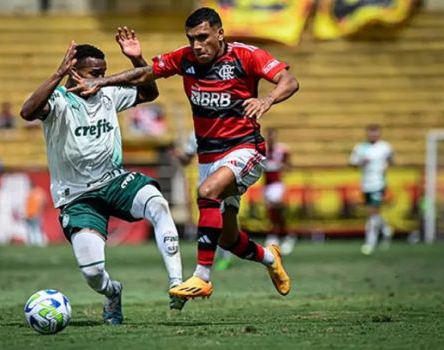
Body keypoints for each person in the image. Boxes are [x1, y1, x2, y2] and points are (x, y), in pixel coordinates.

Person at [70, 7, 299, 299]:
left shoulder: (247, 56)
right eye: (191, 39)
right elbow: (145, 75)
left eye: (203, 37)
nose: (197, 45)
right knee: (228, 238)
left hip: (245, 148)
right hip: (208, 156)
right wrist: (108, 76)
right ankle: (270, 258)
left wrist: (266, 100)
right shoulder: (185, 58)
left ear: (220, 33)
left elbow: (289, 81)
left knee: (207, 192)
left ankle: (201, 277)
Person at [20, 27, 185, 325]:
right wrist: (57, 74)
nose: (100, 77)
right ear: (74, 71)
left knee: (158, 205)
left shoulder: (108, 92)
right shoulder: (58, 101)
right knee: (93, 274)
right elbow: (27, 111)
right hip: (77, 197)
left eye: (103, 71)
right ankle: (112, 292)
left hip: (113, 181)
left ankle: (177, 283)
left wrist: (137, 60)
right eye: (93, 72)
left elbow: (150, 92)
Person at [171, 132, 234, 270]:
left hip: (222, 180)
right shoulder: (194, 135)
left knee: (222, 219)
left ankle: (224, 256)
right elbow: (187, 160)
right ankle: (211, 257)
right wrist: (179, 155)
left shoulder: (223, 129)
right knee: (208, 221)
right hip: (204, 183)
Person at [349, 124, 394, 255]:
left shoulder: (385, 147)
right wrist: (362, 162)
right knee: (373, 212)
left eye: (376, 133)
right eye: (371, 133)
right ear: (367, 134)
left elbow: (391, 160)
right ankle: (386, 229)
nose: (373, 135)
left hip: (379, 183)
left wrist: (387, 166)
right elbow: (352, 163)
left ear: (379, 134)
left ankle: (370, 242)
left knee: (372, 212)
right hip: (366, 183)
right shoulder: (360, 148)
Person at [263, 128, 296, 255]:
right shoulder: (262, 150)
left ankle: (280, 235)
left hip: (277, 184)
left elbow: (289, 166)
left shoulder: (282, 150)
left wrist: (280, 166)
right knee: (271, 211)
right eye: (269, 136)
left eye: (272, 136)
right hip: (266, 184)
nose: (271, 138)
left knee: (275, 206)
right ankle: (278, 235)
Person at [24, 180, 48, 247]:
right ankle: (35, 243)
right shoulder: (37, 192)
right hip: (31, 214)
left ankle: (39, 243)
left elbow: (43, 202)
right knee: (34, 229)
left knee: (36, 229)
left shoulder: (34, 193)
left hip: (35, 214)